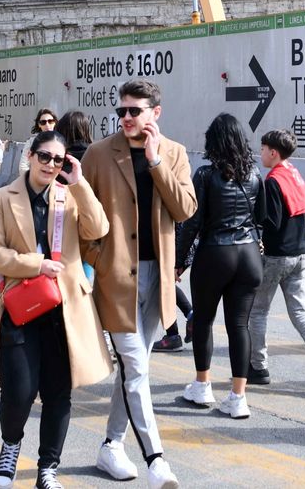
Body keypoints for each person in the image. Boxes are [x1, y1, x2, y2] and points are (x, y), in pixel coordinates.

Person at [0, 127, 111, 489]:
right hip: (20, 304)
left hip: (65, 308)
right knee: (18, 390)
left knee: (57, 391)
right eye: (44, 156)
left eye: (58, 160)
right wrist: (35, 263)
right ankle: (11, 445)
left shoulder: (69, 194)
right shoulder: (4, 197)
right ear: (30, 156)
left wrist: (79, 183)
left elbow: (99, 228)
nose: (50, 164)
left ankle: (48, 467)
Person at [80, 79, 193, 489]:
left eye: (135, 111)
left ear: (154, 114)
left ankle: (111, 443)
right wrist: (96, 261)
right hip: (114, 278)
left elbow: (184, 210)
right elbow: (81, 215)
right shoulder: (98, 154)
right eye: (122, 111)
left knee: (132, 370)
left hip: (157, 277)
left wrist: (156, 161)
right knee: (137, 367)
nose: (126, 118)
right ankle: (156, 459)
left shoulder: (174, 152)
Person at [176, 113, 264, 419]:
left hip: (216, 253)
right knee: (239, 325)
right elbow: (260, 219)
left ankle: (202, 385)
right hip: (249, 254)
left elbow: (192, 223)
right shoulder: (254, 175)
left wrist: (178, 262)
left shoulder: (205, 175)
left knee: (203, 320)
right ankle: (238, 397)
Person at [248, 127, 305, 392]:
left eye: (264, 149)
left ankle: (258, 366)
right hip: (301, 254)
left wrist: (256, 213)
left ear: (273, 152)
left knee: (258, 310)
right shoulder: (295, 175)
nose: (261, 153)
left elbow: (271, 222)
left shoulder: (272, 180)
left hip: (277, 257)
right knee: (300, 311)